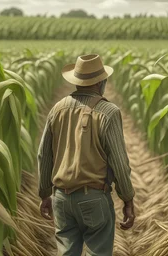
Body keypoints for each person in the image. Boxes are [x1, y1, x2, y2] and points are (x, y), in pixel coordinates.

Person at [38, 54, 135, 256]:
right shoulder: (108, 112)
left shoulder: (57, 109)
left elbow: (44, 154)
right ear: (101, 82)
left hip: (61, 198)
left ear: (77, 81)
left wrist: (45, 193)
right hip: (93, 199)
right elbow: (119, 162)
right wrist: (127, 199)